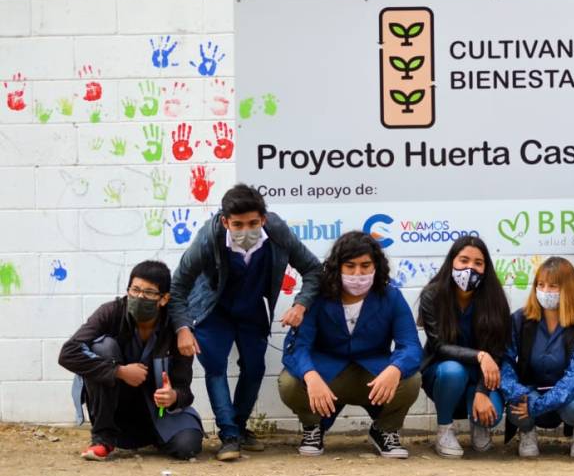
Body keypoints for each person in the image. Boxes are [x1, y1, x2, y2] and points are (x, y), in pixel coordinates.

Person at [169, 184, 322, 461]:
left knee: (255, 367)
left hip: (251, 308)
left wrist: (301, 305)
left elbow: (313, 269)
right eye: (237, 224)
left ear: (263, 219)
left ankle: (238, 427)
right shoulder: (208, 238)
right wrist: (183, 328)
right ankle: (229, 436)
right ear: (225, 221)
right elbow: (178, 285)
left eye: (253, 223)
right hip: (213, 310)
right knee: (215, 368)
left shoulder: (278, 232)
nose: (245, 231)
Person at [278, 231, 423, 458]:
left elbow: (411, 346)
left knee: (411, 379)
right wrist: (310, 375)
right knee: (289, 382)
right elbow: (297, 347)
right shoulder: (317, 297)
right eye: (350, 266)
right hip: (328, 375)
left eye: (366, 266)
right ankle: (313, 427)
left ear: (376, 266)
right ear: (338, 267)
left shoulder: (391, 297)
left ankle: (385, 430)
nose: (358, 273)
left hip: (373, 375)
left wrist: (395, 369)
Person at [58, 261, 203, 461]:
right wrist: (119, 371)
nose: (140, 297)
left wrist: (173, 396)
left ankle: (158, 438)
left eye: (149, 292)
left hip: (157, 413)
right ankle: (102, 439)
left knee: (188, 447)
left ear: (164, 299)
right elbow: (68, 353)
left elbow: (185, 391)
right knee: (102, 348)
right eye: (135, 290)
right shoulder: (110, 313)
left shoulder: (176, 330)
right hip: (117, 407)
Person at [419, 236, 510, 458]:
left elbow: (497, 353)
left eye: (478, 263)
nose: (470, 268)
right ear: (452, 262)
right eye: (464, 260)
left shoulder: (495, 299)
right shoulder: (432, 295)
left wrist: (481, 391)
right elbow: (439, 346)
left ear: (486, 267)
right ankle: (444, 429)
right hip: (443, 374)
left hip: (482, 377)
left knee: (494, 414)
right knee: (453, 370)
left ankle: (478, 422)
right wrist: (480, 355)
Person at [501, 257, 574, 458]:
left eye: (553, 286)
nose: (545, 291)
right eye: (541, 285)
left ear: (568, 289)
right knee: (517, 404)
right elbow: (505, 362)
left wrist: (540, 405)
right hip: (531, 393)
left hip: (566, 398)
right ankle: (526, 432)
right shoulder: (519, 319)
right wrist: (519, 393)